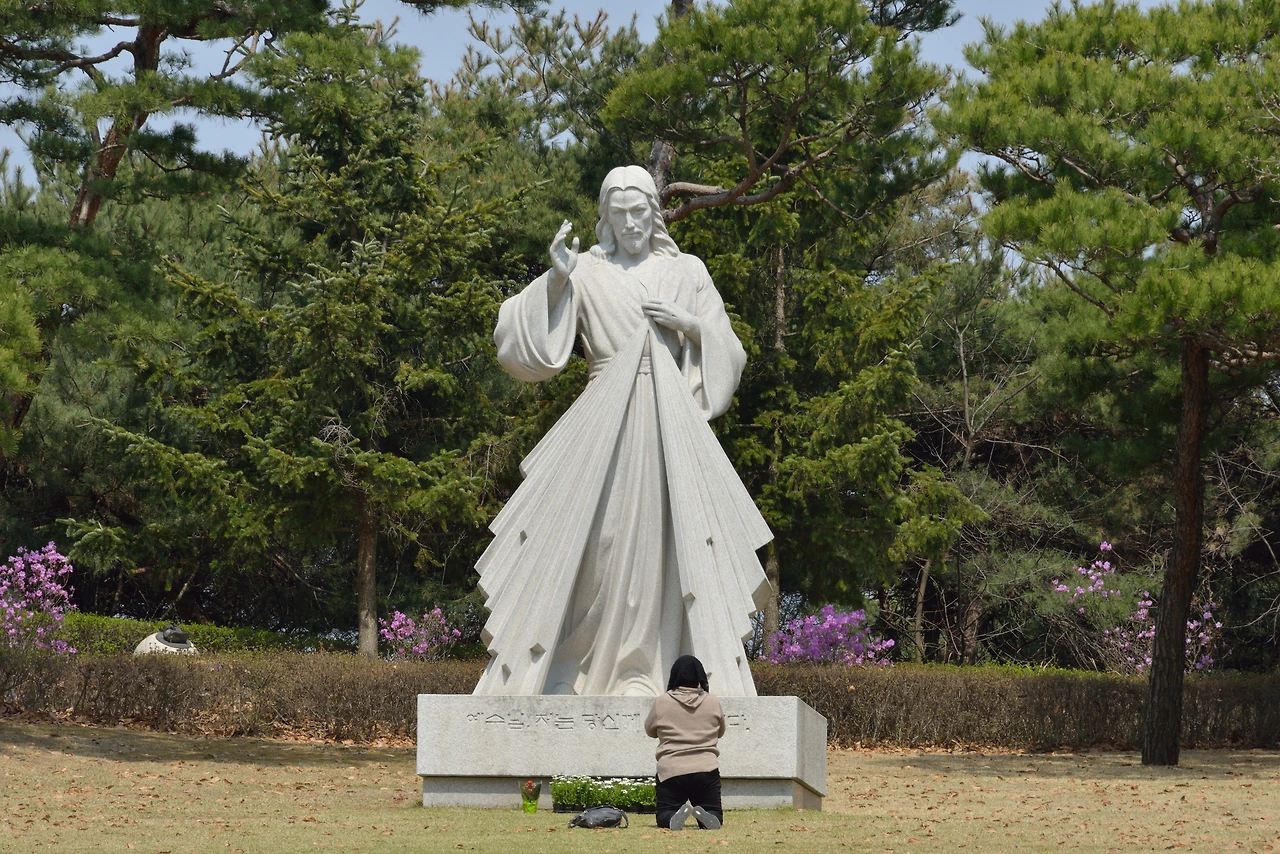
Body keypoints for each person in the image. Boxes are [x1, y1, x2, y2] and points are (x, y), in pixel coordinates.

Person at [472, 165, 771, 697]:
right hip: (601, 422)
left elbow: (730, 351)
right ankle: (572, 668)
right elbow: (522, 349)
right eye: (619, 214)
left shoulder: (688, 271)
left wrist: (689, 325)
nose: (631, 223)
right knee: (596, 543)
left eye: (639, 212)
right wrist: (557, 280)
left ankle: (642, 669)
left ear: (653, 214)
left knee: (657, 545)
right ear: (606, 218)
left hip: (665, 424)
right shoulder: (585, 270)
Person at [645, 655, 725, 830]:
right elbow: (720, 732)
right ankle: (708, 815)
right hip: (706, 769)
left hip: (672, 770)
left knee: (664, 813)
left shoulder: (662, 701)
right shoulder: (712, 701)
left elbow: (649, 730)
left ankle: (672, 816)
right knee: (714, 812)